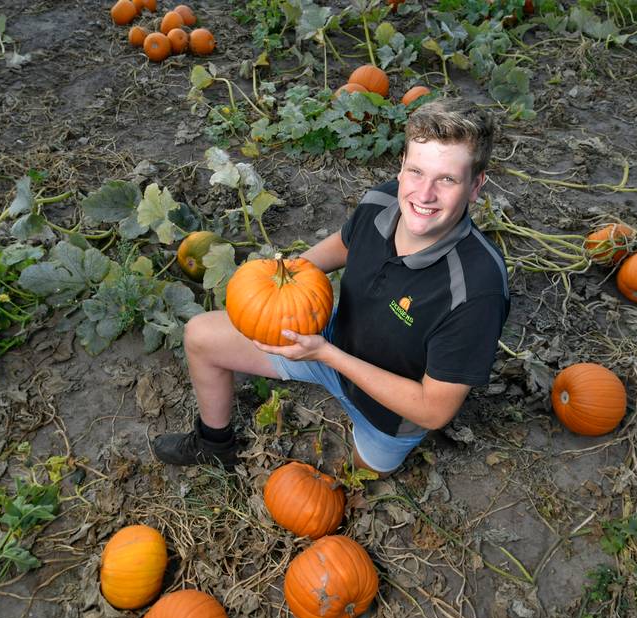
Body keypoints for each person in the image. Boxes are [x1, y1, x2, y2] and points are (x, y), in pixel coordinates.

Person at [153, 98, 510, 476]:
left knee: (346, 481)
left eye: (447, 179)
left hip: (388, 414)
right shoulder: (382, 201)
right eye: (417, 172)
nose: (424, 195)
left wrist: (326, 355)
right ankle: (214, 444)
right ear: (402, 165)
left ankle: (366, 454)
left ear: (475, 186)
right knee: (200, 335)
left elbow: (433, 410)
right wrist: (285, 277)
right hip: (328, 338)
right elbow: (345, 244)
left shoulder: (477, 288)